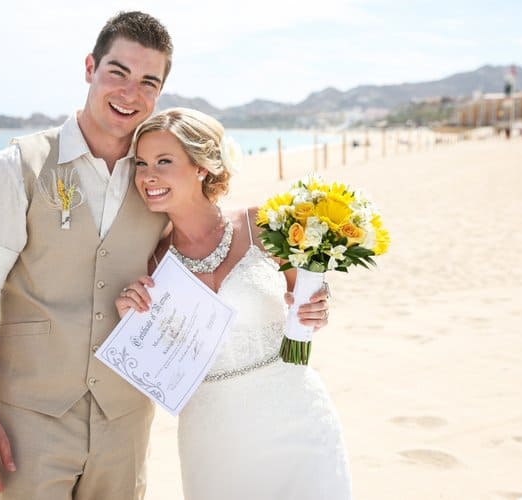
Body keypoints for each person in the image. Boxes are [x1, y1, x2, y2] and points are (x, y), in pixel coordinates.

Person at [0, 11, 174, 500]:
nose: (130, 92)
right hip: (27, 424)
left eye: (148, 81)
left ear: (159, 93)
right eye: (117, 72)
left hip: (125, 421)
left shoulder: (160, 175)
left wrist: (293, 278)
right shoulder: (17, 168)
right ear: (90, 67)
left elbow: (207, 248)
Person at [117, 108, 351, 500]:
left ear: (201, 168)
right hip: (214, 436)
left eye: (163, 162)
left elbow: (309, 305)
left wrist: (318, 307)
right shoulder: (153, 263)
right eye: (140, 164)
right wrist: (133, 319)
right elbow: (163, 368)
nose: (147, 176)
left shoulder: (263, 226)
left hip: (297, 417)